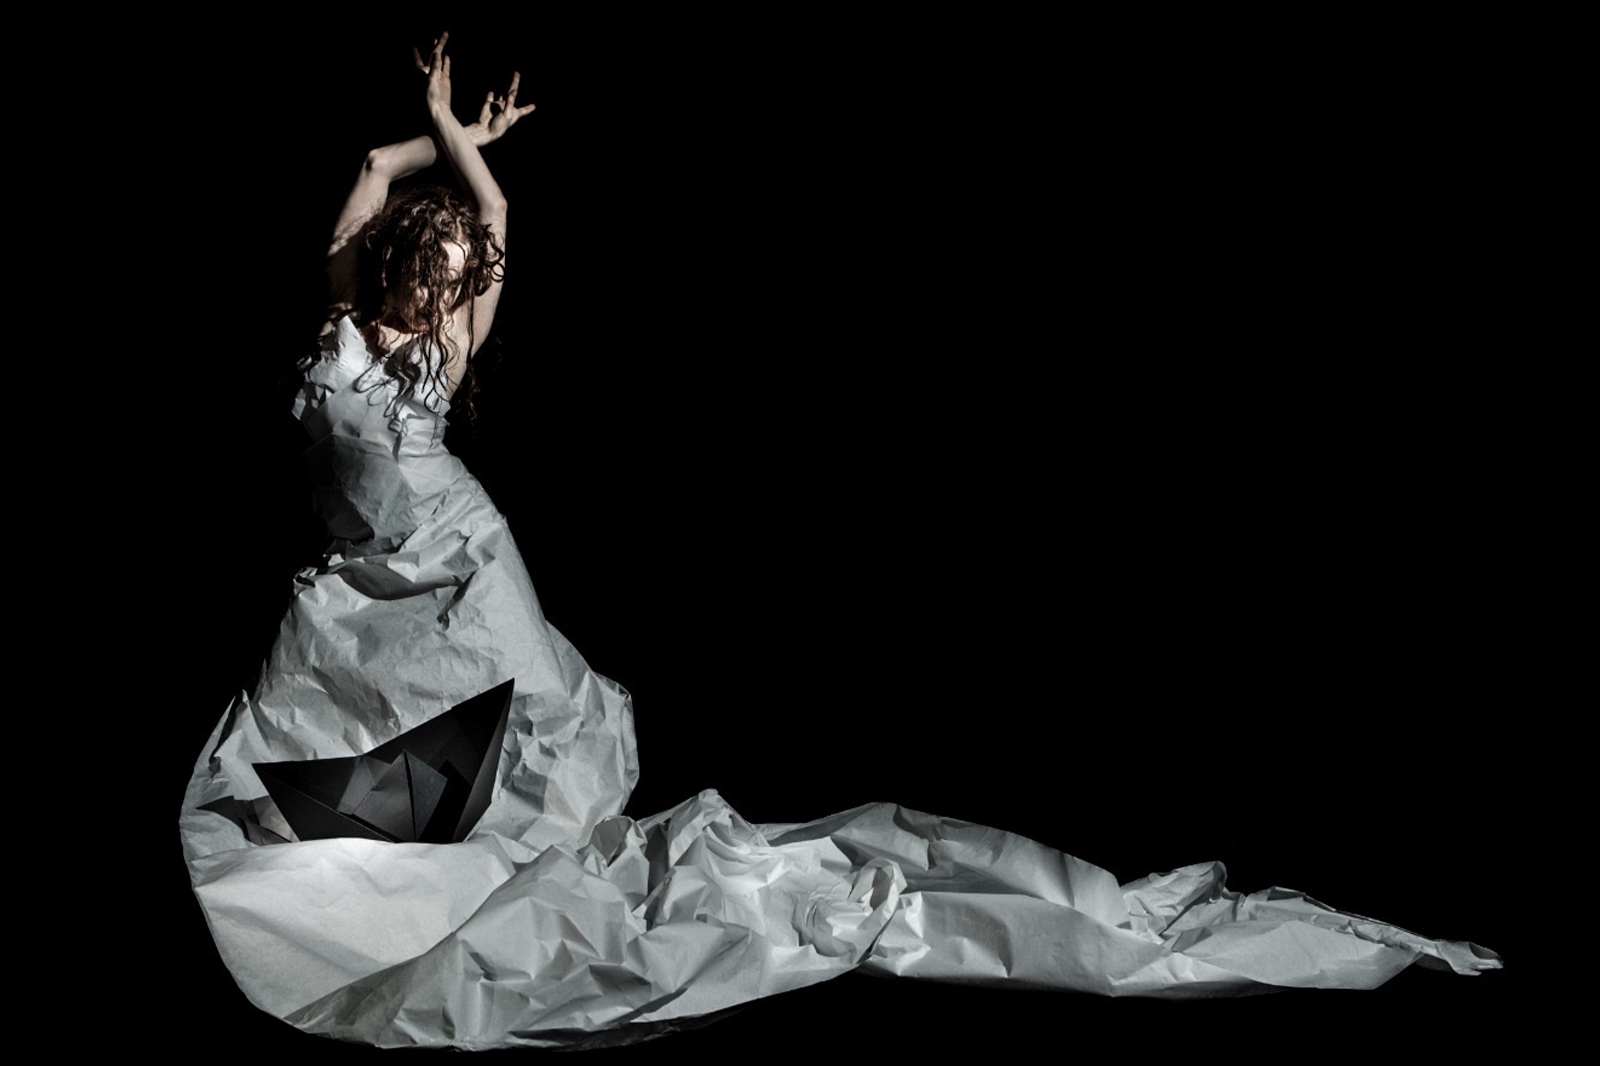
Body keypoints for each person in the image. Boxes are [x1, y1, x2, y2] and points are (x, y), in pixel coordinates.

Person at [179, 36, 1501, 1051]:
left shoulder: (446, 340)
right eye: (436, 261)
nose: (449, 275)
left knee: (501, 725)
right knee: (341, 726)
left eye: (457, 266)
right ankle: (376, 873)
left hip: (461, 553)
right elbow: (370, 176)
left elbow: (501, 221)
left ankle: (484, 878)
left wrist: (468, 151)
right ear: (402, 260)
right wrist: (431, 128)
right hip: (365, 569)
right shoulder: (346, 305)